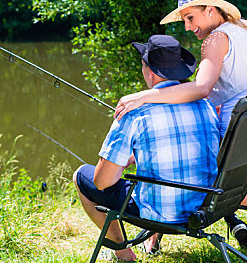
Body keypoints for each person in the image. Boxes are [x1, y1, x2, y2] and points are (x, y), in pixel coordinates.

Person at [114, 0, 247, 246]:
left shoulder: (216, 39)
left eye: (191, 18)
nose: (188, 27)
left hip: (232, 148)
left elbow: (201, 88)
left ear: (211, 10)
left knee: (174, 142)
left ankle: (153, 226)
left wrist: (142, 97)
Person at [73, 35, 220, 261]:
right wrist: (136, 156)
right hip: (204, 206)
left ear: (149, 71)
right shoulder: (206, 106)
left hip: (161, 214)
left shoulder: (134, 112)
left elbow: (103, 182)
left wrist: (119, 163)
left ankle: (124, 254)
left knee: (82, 176)